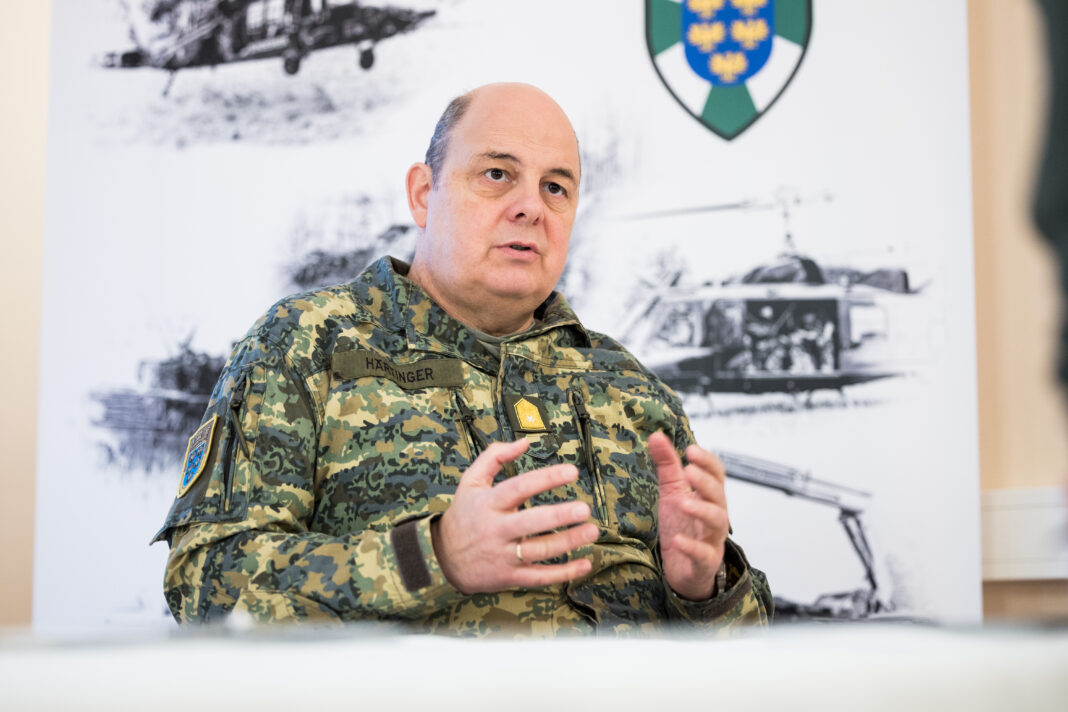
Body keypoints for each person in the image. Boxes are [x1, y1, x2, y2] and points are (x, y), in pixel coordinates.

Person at [154, 82, 772, 635]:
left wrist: (705, 590)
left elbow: (743, 662)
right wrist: (436, 556)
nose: (531, 205)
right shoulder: (309, 342)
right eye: (498, 174)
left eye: (555, 187)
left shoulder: (633, 391)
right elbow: (205, 586)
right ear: (424, 194)